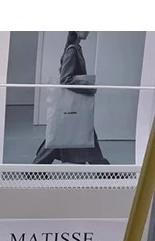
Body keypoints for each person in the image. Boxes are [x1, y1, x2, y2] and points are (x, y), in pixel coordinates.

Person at [33, 31, 110, 165]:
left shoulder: (75, 49)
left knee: (66, 137)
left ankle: (35, 170)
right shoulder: (72, 51)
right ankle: (104, 171)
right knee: (80, 137)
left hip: (74, 106)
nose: (88, 30)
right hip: (75, 105)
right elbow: (65, 79)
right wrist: (88, 87)